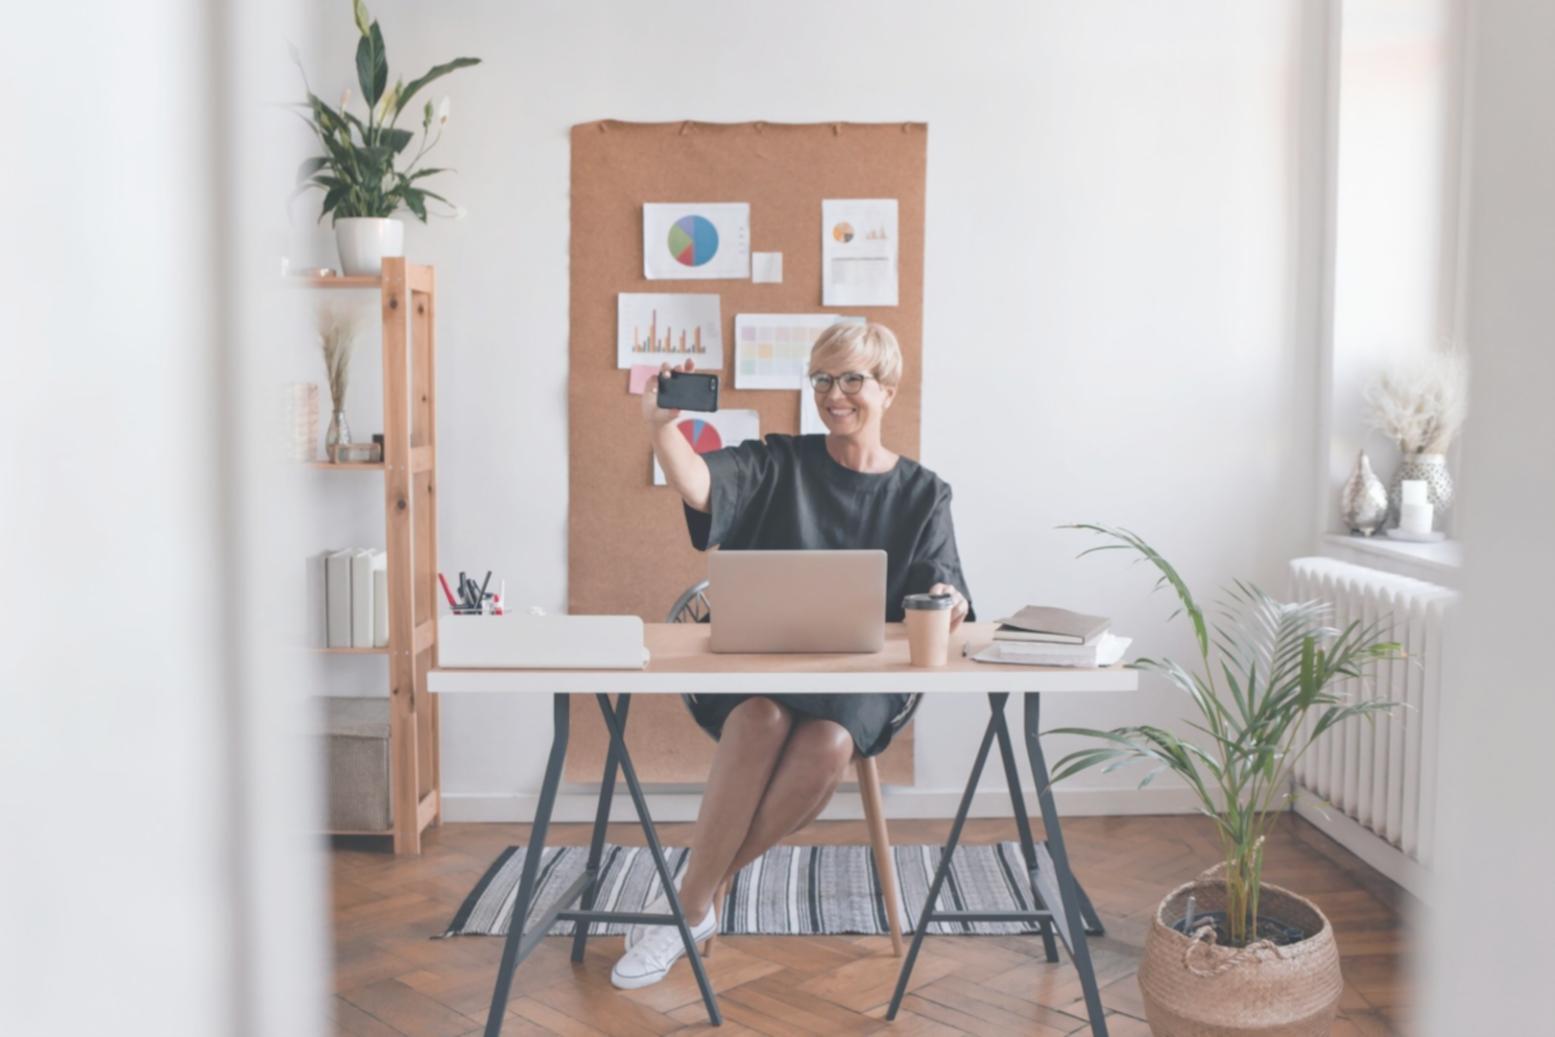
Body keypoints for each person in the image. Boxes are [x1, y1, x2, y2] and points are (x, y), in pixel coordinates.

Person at [611, 321, 974, 989]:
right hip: (759, 668)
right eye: (821, 380)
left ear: (887, 390)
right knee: (759, 719)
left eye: (851, 378)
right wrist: (663, 428)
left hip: (859, 683)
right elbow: (698, 486)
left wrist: (946, 597)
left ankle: (687, 904)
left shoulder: (924, 493)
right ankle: (693, 906)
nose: (833, 394)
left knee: (829, 740)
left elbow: (943, 586)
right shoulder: (778, 460)